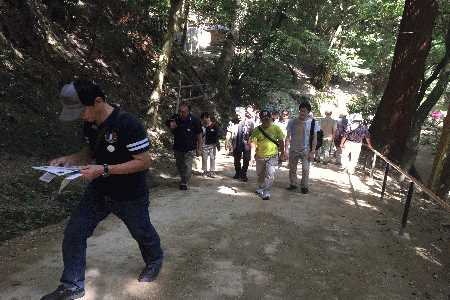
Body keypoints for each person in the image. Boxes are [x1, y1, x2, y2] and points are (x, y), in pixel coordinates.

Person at [41, 80, 163, 300]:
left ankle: (154, 260)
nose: (81, 116)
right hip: (98, 191)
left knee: (141, 232)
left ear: (98, 101)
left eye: (82, 110)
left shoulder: (128, 124)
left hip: (129, 194)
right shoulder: (90, 123)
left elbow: (144, 162)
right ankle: (72, 285)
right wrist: (70, 159)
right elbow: (91, 150)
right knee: (74, 232)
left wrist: (105, 169)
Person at [285, 101, 320, 194]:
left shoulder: (313, 123)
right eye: (301, 111)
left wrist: (313, 151)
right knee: (292, 168)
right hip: (293, 148)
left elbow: (315, 138)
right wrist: (286, 149)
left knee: (305, 169)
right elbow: (288, 136)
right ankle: (293, 184)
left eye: (304, 111)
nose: (302, 113)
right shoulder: (292, 122)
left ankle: (304, 186)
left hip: (306, 150)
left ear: (308, 112)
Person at [250, 110, 285, 200]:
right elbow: (253, 144)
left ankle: (266, 191)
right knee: (260, 174)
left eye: (267, 119)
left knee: (270, 174)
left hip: (272, 156)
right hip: (260, 156)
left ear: (271, 118)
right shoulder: (257, 130)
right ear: (261, 120)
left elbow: (281, 142)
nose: (266, 121)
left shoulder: (276, 128)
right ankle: (260, 187)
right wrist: (252, 156)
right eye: (263, 119)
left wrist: (282, 153)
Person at [166, 102, 202, 190]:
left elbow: (199, 135)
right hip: (178, 147)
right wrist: (171, 126)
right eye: (180, 111)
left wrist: (199, 149)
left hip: (190, 148)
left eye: (183, 112)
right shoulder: (175, 118)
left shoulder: (195, 120)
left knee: (188, 166)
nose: (181, 113)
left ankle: (184, 182)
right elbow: (167, 123)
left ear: (188, 111)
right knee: (179, 165)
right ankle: (183, 178)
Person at [232, 107, 254, 181]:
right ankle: (237, 172)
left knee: (246, 159)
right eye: (237, 114)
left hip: (246, 143)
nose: (238, 115)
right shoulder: (233, 122)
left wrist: (249, 143)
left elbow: (252, 134)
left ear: (244, 113)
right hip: (236, 143)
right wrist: (228, 141)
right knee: (236, 159)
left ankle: (243, 173)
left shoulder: (250, 122)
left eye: (240, 113)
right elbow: (230, 133)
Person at [200, 112, 221, 177]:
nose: (203, 120)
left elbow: (217, 136)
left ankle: (212, 171)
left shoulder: (214, 125)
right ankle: (205, 171)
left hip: (213, 145)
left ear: (207, 118)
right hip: (204, 144)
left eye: (204, 119)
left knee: (212, 158)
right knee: (204, 158)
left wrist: (217, 145)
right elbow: (200, 135)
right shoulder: (202, 126)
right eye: (203, 119)